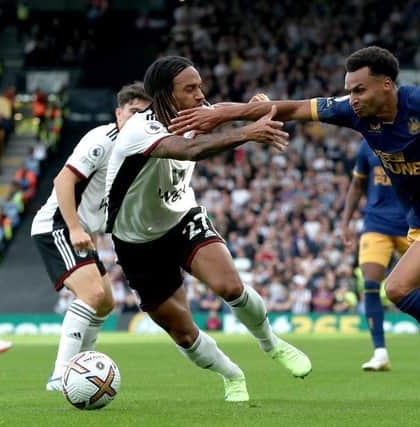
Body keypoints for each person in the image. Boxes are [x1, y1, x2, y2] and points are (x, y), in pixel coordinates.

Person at [169, 46, 420, 404]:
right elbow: (289, 108)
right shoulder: (353, 114)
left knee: (396, 287)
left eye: (359, 89)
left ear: (387, 85)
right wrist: (224, 112)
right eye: (349, 89)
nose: (352, 98)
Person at [105, 56, 311, 403]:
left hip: (182, 219)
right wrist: (248, 131)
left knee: (230, 286)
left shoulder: (195, 112)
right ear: (164, 96)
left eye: (200, 85)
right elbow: (190, 150)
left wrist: (251, 108)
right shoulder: (140, 130)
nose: (201, 95)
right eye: (190, 89)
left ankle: (271, 344)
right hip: (136, 241)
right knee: (182, 332)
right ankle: (231, 375)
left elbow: (222, 110)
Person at [31, 82, 152, 391]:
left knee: (106, 303)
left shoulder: (137, 152)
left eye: (145, 114)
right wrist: (73, 228)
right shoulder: (102, 139)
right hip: (57, 224)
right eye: (133, 112)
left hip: (84, 231)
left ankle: (81, 367)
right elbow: (63, 180)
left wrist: (93, 239)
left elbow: (98, 204)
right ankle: (60, 375)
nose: (138, 119)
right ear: (119, 113)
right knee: (92, 296)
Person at [342, 139, 420, 373]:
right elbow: (357, 185)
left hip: (412, 224)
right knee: (369, 284)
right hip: (375, 224)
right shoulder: (366, 145)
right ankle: (380, 352)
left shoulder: (412, 140)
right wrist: (345, 222)